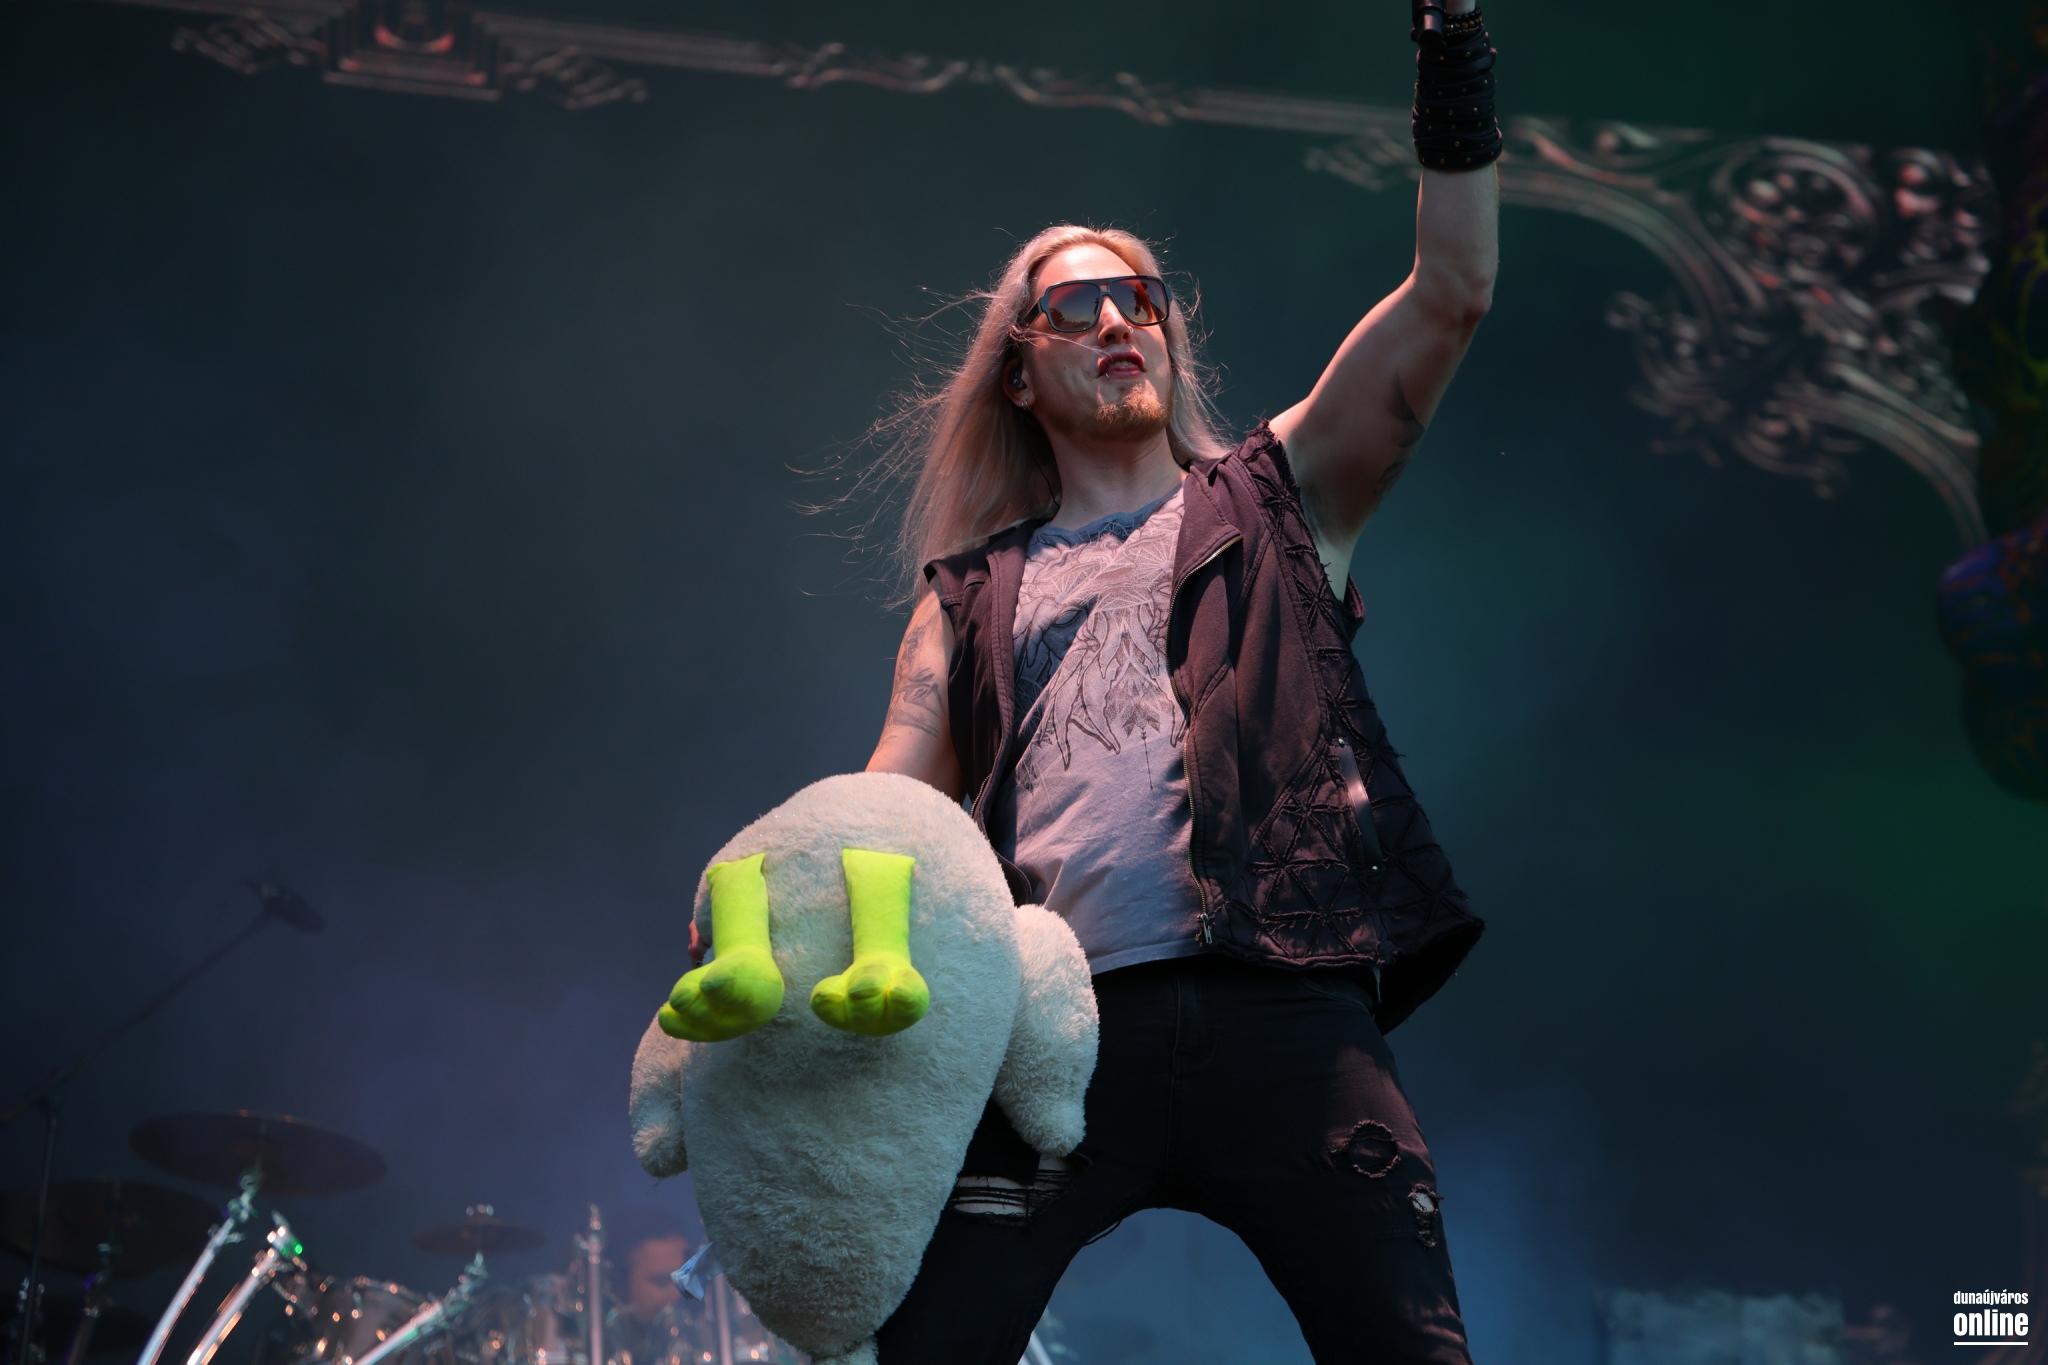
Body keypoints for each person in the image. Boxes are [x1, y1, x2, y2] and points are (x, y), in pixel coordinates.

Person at [858, 4, 1500, 1362]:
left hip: (1287, 1003)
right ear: (1019, 368)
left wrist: (1452, 46)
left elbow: (1451, 292)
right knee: (913, 1348)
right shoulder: (967, 595)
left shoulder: (1278, 497)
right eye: (1072, 306)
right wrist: (775, 913)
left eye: (1138, 298)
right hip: (1055, 1035)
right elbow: (884, 818)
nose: (1114, 318)